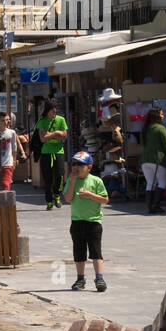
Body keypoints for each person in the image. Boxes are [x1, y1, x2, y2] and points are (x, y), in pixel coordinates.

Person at [64, 151, 108, 292]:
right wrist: (72, 182)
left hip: (93, 222)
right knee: (79, 252)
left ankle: (99, 277)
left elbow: (105, 199)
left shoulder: (96, 181)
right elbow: (68, 198)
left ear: (89, 167)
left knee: (96, 251)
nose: (76, 167)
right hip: (77, 221)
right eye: (74, 164)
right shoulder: (71, 180)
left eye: (80, 165)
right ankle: (80, 278)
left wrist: (90, 195)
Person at [35, 100, 69, 210]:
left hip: (59, 152)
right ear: (47, 110)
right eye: (52, 109)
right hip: (46, 153)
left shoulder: (61, 120)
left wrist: (52, 134)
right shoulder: (42, 121)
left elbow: (64, 136)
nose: (55, 111)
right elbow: (43, 138)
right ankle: (49, 201)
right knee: (47, 178)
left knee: (60, 175)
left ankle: (57, 194)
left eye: (55, 109)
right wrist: (57, 134)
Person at [140, 106, 166, 215]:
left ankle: (150, 207)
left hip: (144, 160)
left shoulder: (145, 128)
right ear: (157, 116)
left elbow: (143, 144)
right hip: (157, 159)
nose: (163, 116)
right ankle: (156, 205)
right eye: (161, 114)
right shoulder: (161, 128)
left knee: (150, 183)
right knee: (163, 183)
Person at [0, 112, 26, 191]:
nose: (6, 122)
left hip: (8, 163)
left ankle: (6, 202)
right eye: (3, 120)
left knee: (6, 184)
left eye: (7, 120)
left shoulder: (12, 132)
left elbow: (14, 148)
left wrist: (14, 160)